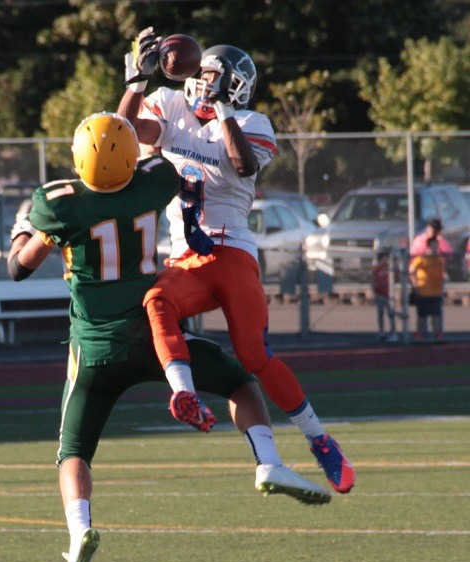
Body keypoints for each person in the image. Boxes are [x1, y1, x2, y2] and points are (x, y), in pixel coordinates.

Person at [7, 112, 331, 562]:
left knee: (73, 451)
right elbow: (163, 162)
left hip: (92, 351)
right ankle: (268, 461)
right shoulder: (153, 183)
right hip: (155, 340)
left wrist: (22, 230)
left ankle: (80, 532)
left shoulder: (57, 204)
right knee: (242, 383)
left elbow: (18, 269)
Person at [118, 28, 355, 494]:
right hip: (186, 257)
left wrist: (224, 110)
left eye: (214, 75)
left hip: (231, 250)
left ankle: (319, 439)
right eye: (202, 72)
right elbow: (124, 137)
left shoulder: (252, 121)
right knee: (156, 300)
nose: (204, 81)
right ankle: (184, 393)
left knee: (252, 355)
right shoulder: (169, 106)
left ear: (236, 86)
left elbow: (243, 164)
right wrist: (137, 84)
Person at [409, 237, 445, 342]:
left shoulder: (439, 259)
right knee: (422, 316)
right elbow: (412, 270)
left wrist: (442, 286)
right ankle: (420, 335)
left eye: (436, 246)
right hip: (423, 291)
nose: (435, 248)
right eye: (433, 246)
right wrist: (415, 285)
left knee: (436, 316)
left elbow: (442, 274)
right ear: (428, 247)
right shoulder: (421, 258)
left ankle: (437, 336)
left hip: (436, 292)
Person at [371, 251, 398, 342]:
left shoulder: (389, 268)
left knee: (391, 314)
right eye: (384, 258)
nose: (385, 260)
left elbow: (395, 278)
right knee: (380, 314)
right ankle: (381, 332)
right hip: (379, 294)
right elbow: (373, 280)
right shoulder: (376, 268)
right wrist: (373, 290)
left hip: (388, 295)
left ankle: (393, 332)